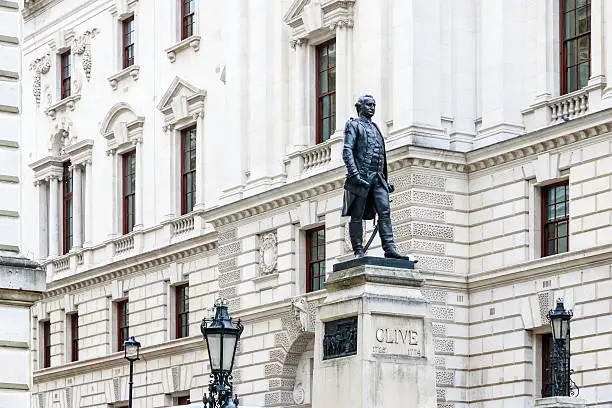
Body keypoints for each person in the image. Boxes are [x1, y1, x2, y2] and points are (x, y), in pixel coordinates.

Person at [341, 94, 410, 260]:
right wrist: (355, 174)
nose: (372, 108)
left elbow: (381, 156)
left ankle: (389, 248)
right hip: (361, 178)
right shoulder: (353, 125)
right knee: (357, 214)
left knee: (385, 212)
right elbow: (347, 150)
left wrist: (386, 181)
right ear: (360, 107)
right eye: (369, 105)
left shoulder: (376, 127)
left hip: (378, 179)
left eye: (374, 105)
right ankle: (358, 249)